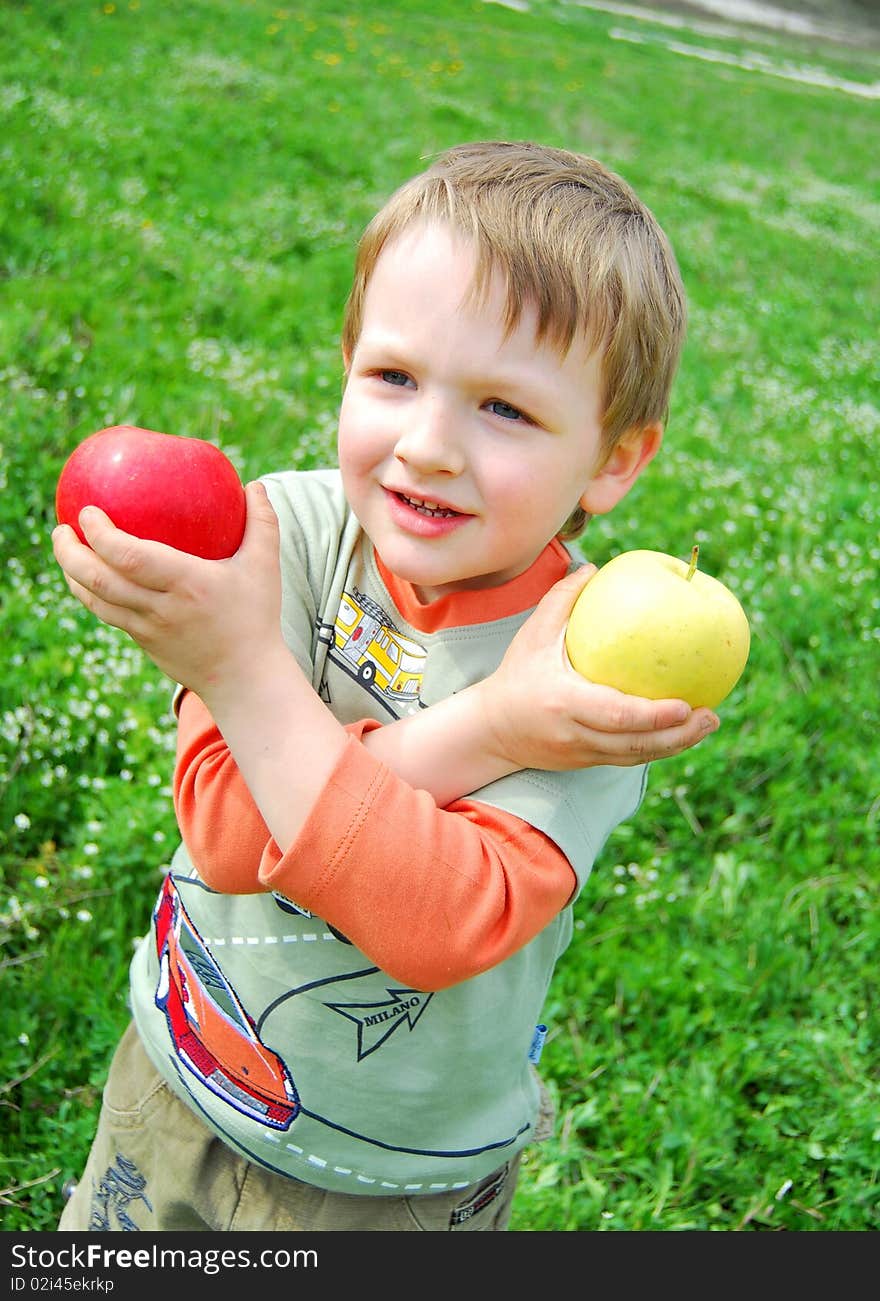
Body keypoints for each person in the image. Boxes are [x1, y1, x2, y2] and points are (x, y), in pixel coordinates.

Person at [52, 140, 719, 1233]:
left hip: (389, 1177)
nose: (428, 444)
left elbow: (440, 916)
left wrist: (246, 673)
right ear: (347, 359)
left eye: (505, 408)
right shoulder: (283, 532)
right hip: (174, 1073)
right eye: (395, 377)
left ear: (613, 458)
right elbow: (223, 830)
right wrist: (492, 727)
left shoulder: (593, 654)